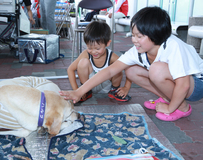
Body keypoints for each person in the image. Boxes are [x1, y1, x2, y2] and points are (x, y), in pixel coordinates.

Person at [60, 7, 203, 121]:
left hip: (196, 84)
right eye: (133, 35)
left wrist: (170, 109)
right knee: (131, 71)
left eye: (139, 36)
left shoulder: (173, 46)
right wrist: (79, 92)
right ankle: (168, 98)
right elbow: (110, 71)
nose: (134, 40)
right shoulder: (138, 50)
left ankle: (181, 107)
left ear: (156, 35)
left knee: (157, 70)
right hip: (180, 83)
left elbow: (183, 84)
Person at [67, 21, 131, 102]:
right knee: (82, 62)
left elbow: (128, 68)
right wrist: (76, 91)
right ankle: (86, 93)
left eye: (97, 48)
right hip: (88, 86)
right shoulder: (86, 54)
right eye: (89, 48)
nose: (93, 52)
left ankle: (114, 91)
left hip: (107, 85)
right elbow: (70, 69)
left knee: (118, 67)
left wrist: (126, 87)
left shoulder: (111, 56)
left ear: (107, 43)